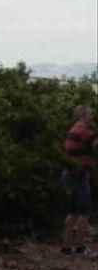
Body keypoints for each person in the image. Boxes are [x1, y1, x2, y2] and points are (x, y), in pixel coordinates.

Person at [61, 104, 96, 256]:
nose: (92, 116)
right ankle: (80, 247)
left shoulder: (73, 130)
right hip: (78, 176)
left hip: (70, 175)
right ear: (82, 116)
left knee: (73, 213)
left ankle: (66, 247)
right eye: (90, 114)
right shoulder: (82, 131)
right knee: (84, 213)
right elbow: (94, 142)